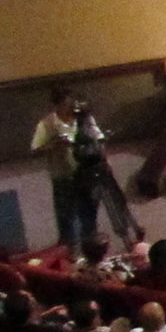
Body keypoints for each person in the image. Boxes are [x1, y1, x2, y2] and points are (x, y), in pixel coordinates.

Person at [32, 86, 99, 249]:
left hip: (86, 174)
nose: (71, 108)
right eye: (67, 104)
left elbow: (99, 138)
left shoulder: (84, 119)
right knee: (67, 220)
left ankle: (91, 251)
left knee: (89, 216)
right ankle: (71, 255)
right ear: (58, 105)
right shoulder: (46, 124)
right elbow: (35, 150)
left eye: (72, 103)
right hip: (63, 178)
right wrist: (55, 145)